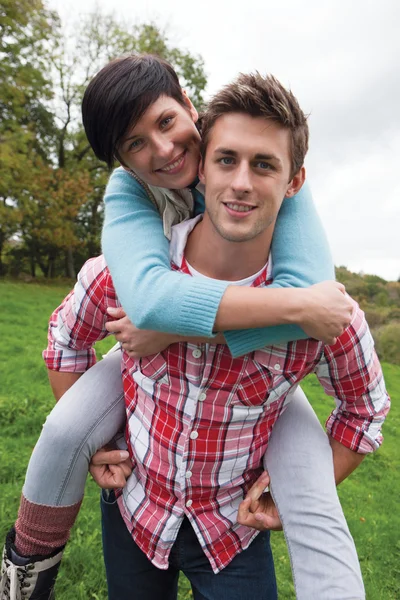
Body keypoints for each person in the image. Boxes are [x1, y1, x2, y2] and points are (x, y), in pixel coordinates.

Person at [0, 56, 362, 600]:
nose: (163, 149)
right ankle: (24, 570)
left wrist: (173, 331)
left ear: (190, 107)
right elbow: (140, 303)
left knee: (307, 488)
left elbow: (309, 301)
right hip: (145, 380)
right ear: (120, 162)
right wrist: (159, 333)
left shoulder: (269, 172)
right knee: (64, 432)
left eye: (167, 123)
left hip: (260, 391)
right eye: (135, 143)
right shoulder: (127, 196)